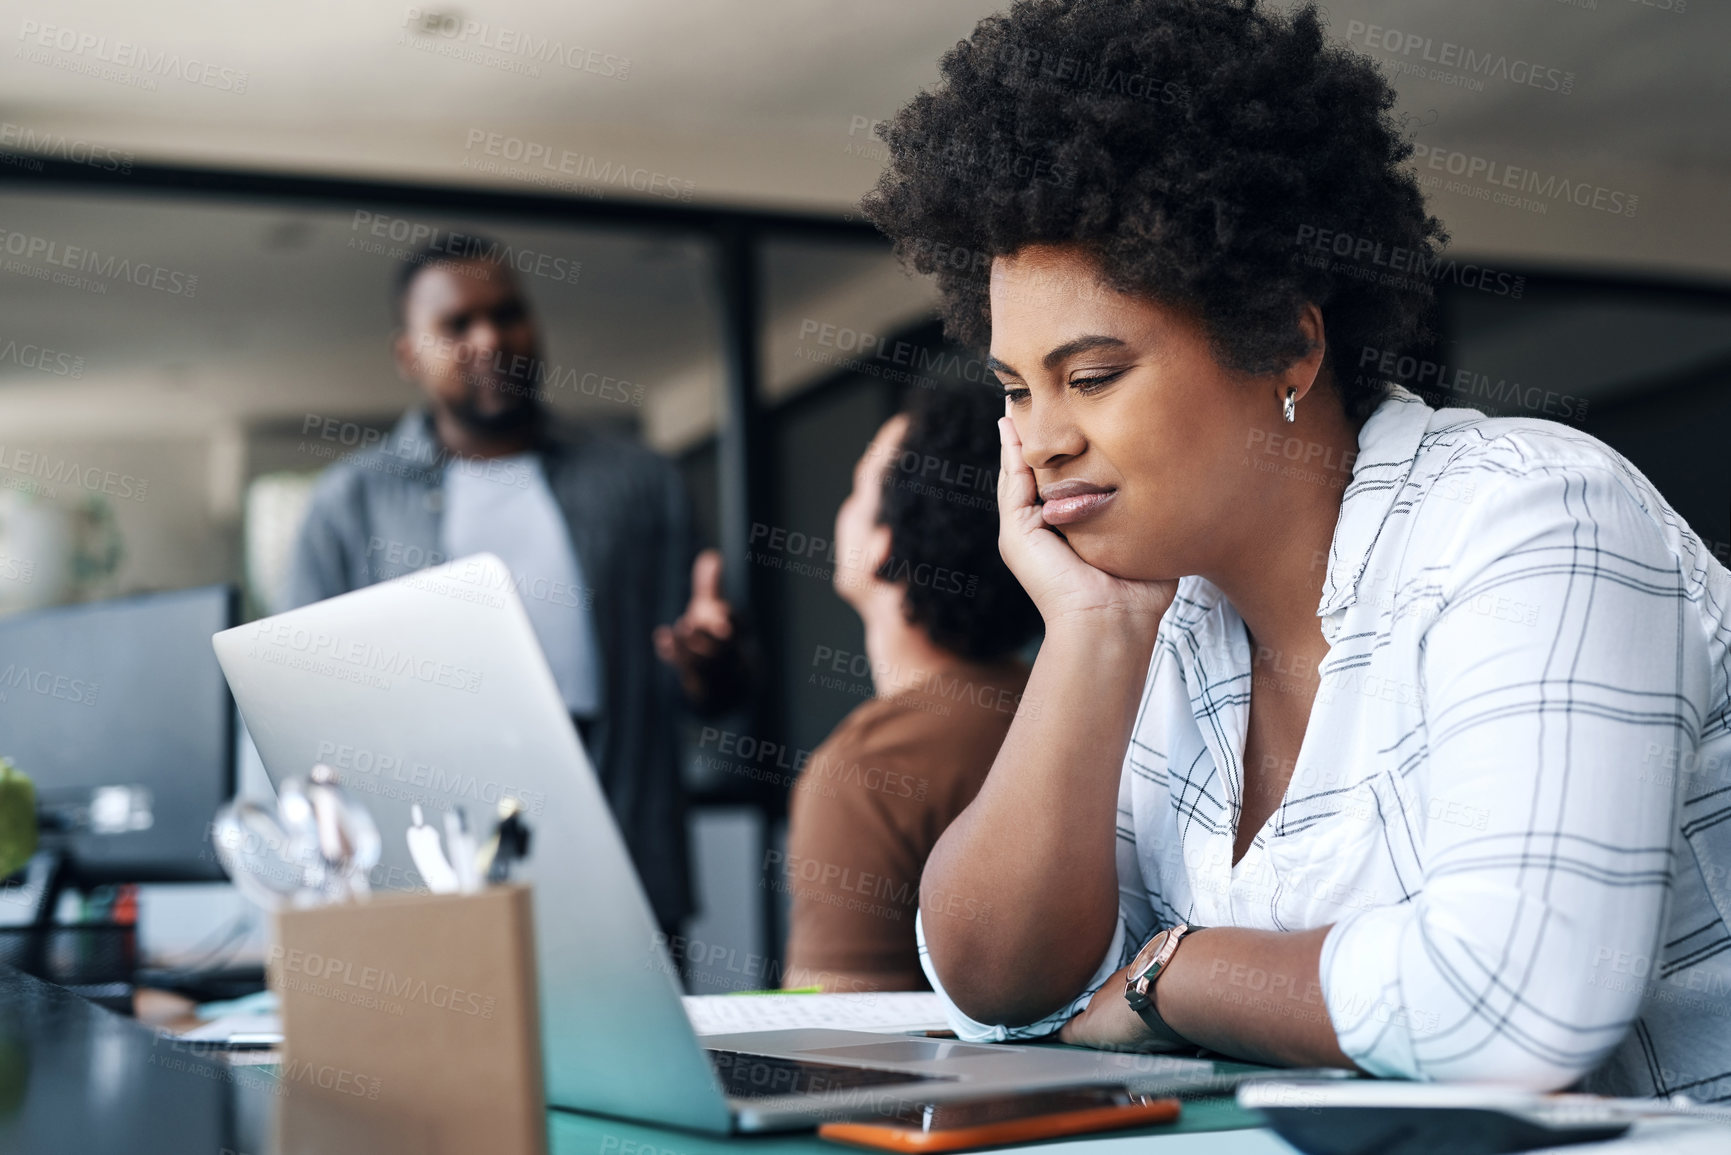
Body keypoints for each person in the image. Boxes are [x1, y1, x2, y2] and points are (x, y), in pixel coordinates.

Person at [861, 0, 1731, 1096]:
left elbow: (1512, 1004)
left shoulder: (1531, 521)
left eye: (1091, 377)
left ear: (1286, 343)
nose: (1043, 440)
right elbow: (996, 981)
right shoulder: (1169, 620)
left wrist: (1162, 979)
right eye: (1015, 392)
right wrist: (1091, 633)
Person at [284, 236, 748, 938]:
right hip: (431, 876)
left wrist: (707, 665)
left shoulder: (637, 484)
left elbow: (720, 692)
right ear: (409, 354)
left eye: (508, 314)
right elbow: (300, 708)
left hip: (619, 865)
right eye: (457, 325)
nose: (491, 339)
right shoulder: (349, 504)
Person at [782, 384, 1041, 992]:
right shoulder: (1079, 708)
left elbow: (836, 1055)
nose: (841, 509)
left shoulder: (865, 771)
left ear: (882, 544)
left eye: (858, 488)